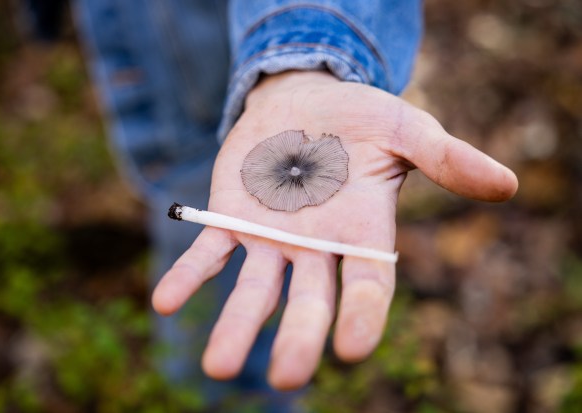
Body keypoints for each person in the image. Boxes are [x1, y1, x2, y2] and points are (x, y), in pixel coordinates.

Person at [73, 0, 518, 410]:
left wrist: (300, 57)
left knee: (234, 274)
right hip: (156, 64)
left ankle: (243, 390)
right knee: (205, 220)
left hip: (214, 56)